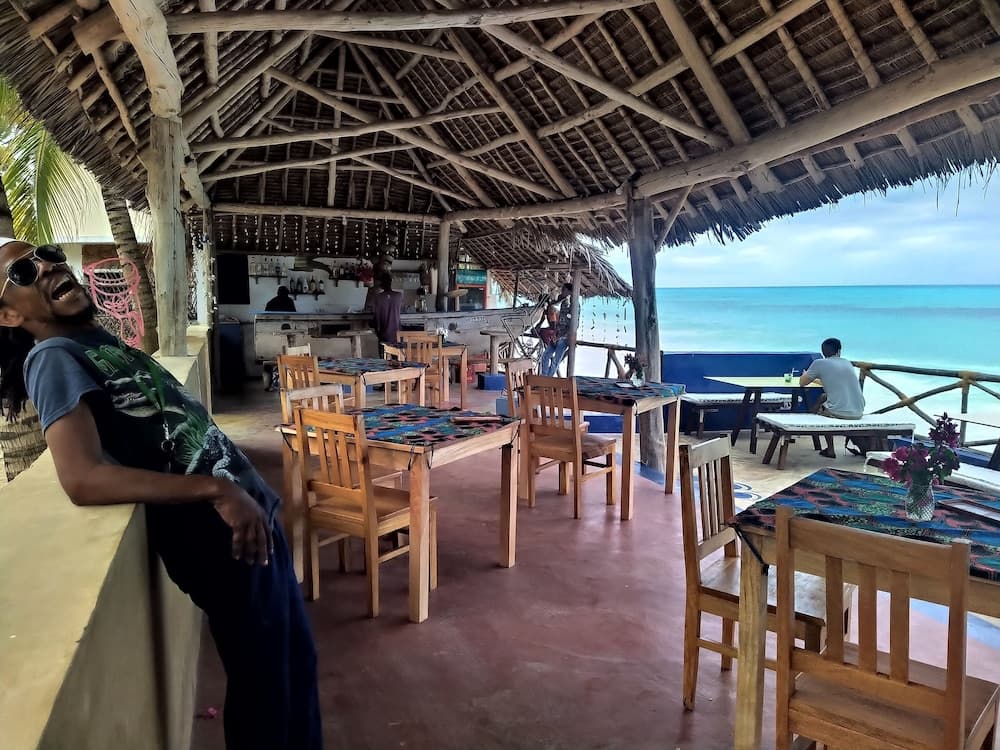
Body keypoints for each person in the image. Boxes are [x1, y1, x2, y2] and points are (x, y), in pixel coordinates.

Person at [0, 239, 322, 750]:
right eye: (22, 271)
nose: (46, 266)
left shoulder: (92, 341)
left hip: (248, 524)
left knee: (292, 671)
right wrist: (217, 489)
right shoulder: (53, 358)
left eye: (48, 254)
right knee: (267, 692)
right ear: (9, 315)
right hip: (222, 540)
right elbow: (81, 477)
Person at [800, 337, 866, 458]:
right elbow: (835, 382)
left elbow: (802, 383)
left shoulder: (819, 363)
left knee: (821, 409)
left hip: (839, 412)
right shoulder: (847, 363)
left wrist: (805, 374)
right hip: (859, 411)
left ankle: (830, 449)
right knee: (824, 397)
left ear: (823, 351)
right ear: (839, 350)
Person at [539, 282, 573, 377]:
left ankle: (547, 380)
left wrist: (559, 336)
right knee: (545, 356)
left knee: (555, 361)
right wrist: (555, 334)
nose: (562, 292)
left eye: (563, 290)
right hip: (557, 335)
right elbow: (559, 322)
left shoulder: (574, 305)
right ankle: (544, 377)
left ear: (569, 291)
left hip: (564, 338)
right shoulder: (563, 304)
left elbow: (573, 325)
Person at [370, 271, 402, 348]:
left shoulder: (378, 297)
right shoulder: (399, 295)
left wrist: (377, 332)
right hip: (397, 333)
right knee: (396, 353)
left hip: (384, 334)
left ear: (381, 284)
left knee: (384, 353)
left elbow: (377, 318)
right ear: (390, 282)